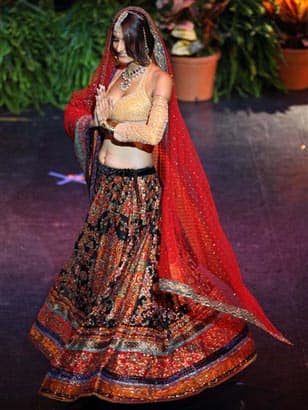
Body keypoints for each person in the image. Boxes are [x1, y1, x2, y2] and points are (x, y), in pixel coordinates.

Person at [29, 6, 290, 404]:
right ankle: (101, 349)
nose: (112, 46)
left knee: (129, 285)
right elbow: (83, 109)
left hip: (137, 194)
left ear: (137, 39)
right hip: (108, 193)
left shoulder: (160, 80)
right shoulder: (113, 75)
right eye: (113, 38)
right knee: (102, 277)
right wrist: (89, 121)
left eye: (119, 39)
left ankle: (127, 363)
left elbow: (154, 132)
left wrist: (110, 125)